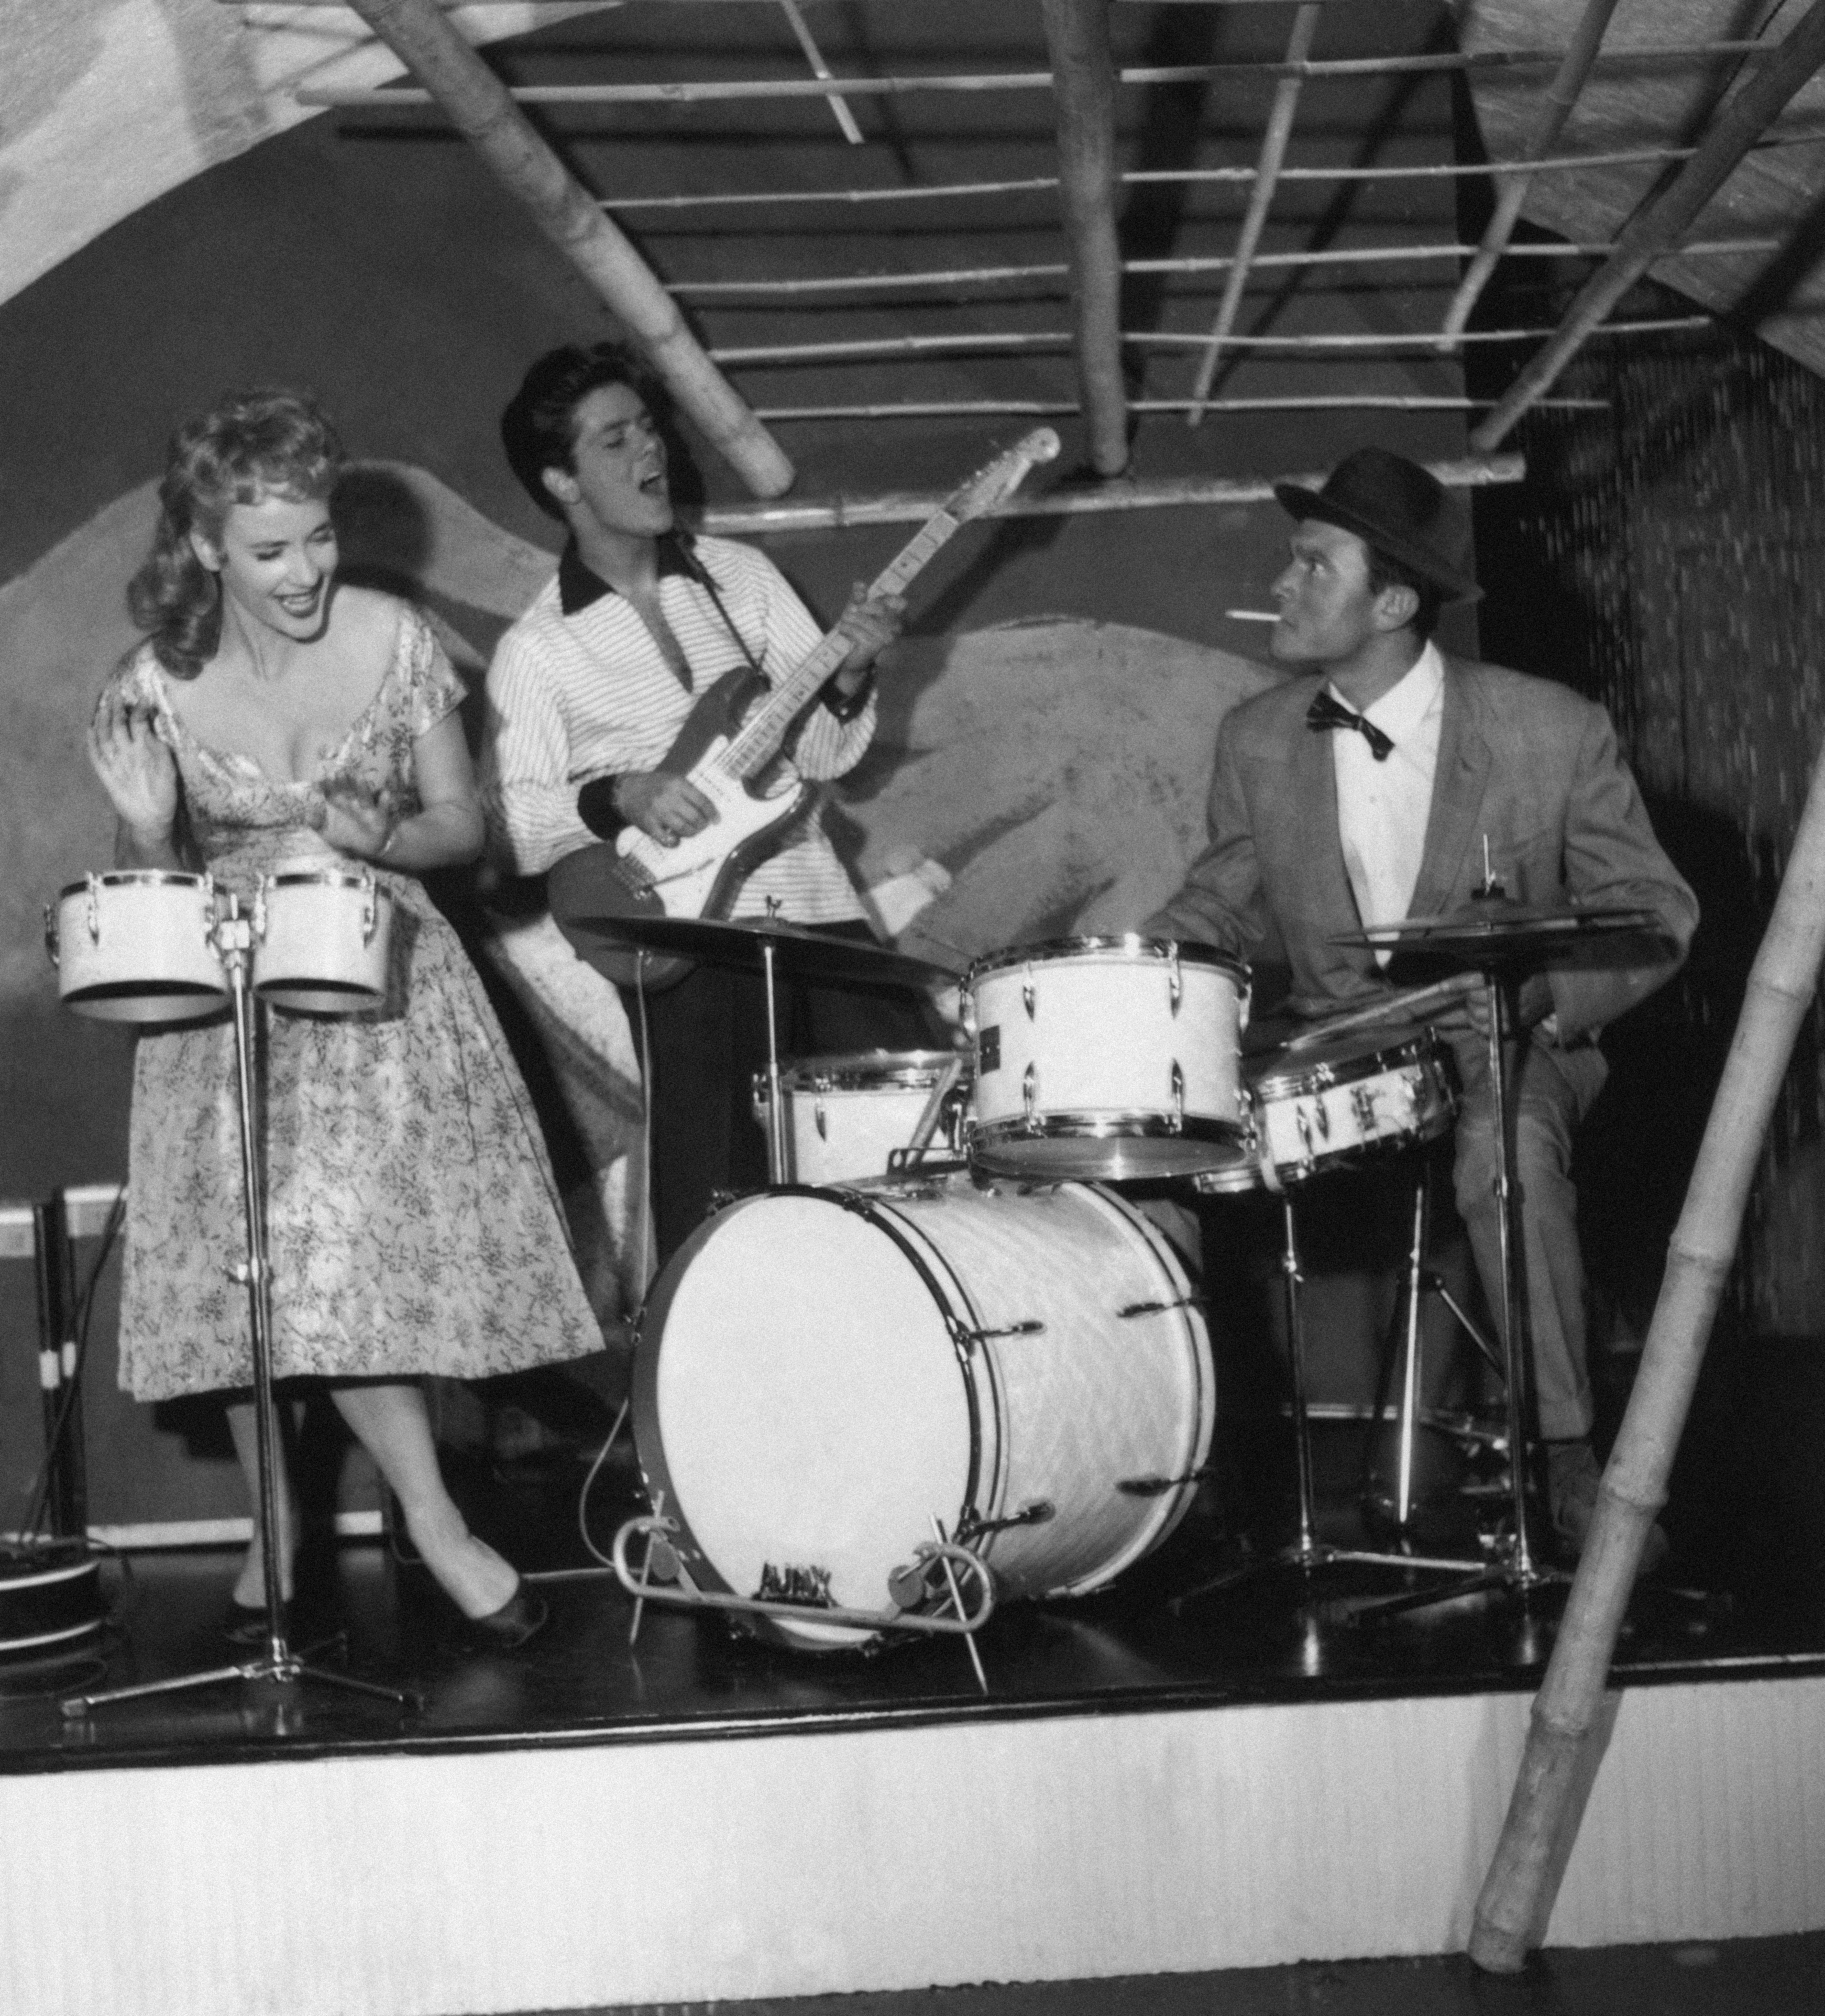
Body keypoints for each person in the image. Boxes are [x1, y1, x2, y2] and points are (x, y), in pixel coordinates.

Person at [87, 388, 605, 1650]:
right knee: (251, 1268)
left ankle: (428, 1518)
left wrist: (386, 835)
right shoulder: (151, 682)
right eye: (272, 549)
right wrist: (152, 824)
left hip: (376, 974)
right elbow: (136, 900)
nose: (308, 567)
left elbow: (463, 825)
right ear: (207, 545)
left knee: (346, 1266)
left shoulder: (398, 634)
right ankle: (279, 1512)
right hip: (222, 997)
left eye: (317, 536)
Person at [1143, 446, 1699, 1561]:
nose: (1283, 580)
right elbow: (1229, 903)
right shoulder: (1255, 737)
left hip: (1507, 1036)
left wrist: (1540, 1000)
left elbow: (1655, 907)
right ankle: (1177, 1464)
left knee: (1506, 1157)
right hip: (1335, 1042)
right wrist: (1146, 962)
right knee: (1151, 1158)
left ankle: (1568, 1455)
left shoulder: (1549, 727)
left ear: (1393, 599)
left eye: (1312, 563)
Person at [483, 342, 934, 1268]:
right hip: (689, 945)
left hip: (817, 914)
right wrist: (619, 795)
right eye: (615, 440)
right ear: (562, 480)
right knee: (720, 1209)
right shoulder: (539, 650)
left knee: (912, 1163)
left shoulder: (744, 578)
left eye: (649, 427)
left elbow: (825, 753)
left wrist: (847, 675)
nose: (651, 450)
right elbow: (519, 821)